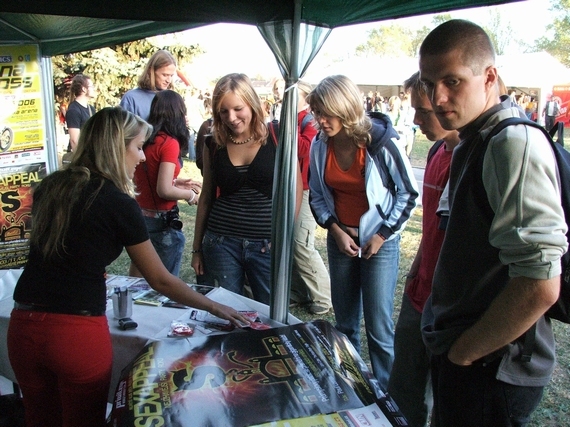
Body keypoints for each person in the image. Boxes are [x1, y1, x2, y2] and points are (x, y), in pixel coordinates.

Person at [6, 107, 249, 427]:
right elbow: (160, 280)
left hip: (22, 325)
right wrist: (215, 307)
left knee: (39, 418)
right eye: (137, 147)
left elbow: (62, 250)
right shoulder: (118, 203)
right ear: (115, 147)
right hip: (75, 334)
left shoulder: (52, 186)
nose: (143, 157)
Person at [418, 19, 567, 427]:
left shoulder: (510, 143)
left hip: (492, 366)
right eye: (429, 83)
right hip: (474, 357)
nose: (437, 97)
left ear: (489, 77)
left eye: (452, 81)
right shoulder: (476, 137)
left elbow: (539, 282)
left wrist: (465, 353)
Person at [307, 75, 419, 390]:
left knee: (379, 329)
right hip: (340, 239)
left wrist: (381, 235)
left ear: (346, 108)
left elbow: (408, 193)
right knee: (344, 325)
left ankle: (387, 394)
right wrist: (335, 230)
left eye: (327, 112)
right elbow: (316, 194)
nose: (321, 120)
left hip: (379, 243)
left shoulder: (380, 142)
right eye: (317, 113)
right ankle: (350, 386)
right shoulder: (320, 144)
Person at [387, 71, 460, 427]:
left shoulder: (470, 160)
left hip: (450, 307)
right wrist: (416, 268)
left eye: (423, 112)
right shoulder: (435, 151)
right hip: (420, 295)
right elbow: (432, 226)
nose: (415, 120)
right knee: (404, 390)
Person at [191, 73, 302, 305]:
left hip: (266, 244)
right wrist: (196, 249)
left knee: (268, 313)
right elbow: (207, 197)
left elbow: (295, 190)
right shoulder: (213, 143)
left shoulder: (279, 134)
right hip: (221, 242)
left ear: (252, 103)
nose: (231, 118)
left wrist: (283, 237)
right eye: (223, 111)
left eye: (238, 108)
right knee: (227, 313)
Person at [130, 90, 202, 278]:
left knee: (137, 280)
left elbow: (150, 178)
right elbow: (163, 190)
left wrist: (176, 181)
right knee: (165, 283)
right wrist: (191, 195)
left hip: (140, 217)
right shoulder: (169, 143)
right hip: (161, 223)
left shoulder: (145, 139)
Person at [283, 80, 332, 315]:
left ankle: (323, 296)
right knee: (289, 241)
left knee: (301, 243)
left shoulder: (308, 120)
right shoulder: (292, 118)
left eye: (289, 95)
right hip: (290, 188)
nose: (281, 98)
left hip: (306, 189)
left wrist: (284, 132)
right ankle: (298, 292)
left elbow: (305, 148)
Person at [120, 49, 177, 121]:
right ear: (151, 71)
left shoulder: (172, 99)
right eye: (165, 75)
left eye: (171, 76)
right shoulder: (131, 99)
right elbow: (123, 130)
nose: (169, 80)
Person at [65, 74, 96, 153]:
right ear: (84, 89)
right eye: (91, 86)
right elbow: (74, 140)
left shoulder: (91, 109)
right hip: (82, 156)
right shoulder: (73, 110)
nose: (94, 89)